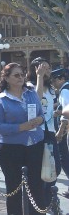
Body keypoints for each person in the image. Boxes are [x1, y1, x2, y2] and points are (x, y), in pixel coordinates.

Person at [0, 62, 45, 215]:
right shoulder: (1, 99)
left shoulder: (31, 93)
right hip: (11, 148)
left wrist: (39, 120)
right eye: (16, 75)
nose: (20, 77)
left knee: (36, 186)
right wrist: (21, 127)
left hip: (35, 145)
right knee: (14, 188)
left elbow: (41, 114)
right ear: (7, 78)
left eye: (22, 74)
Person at [30, 58, 62, 208]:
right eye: (45, 68)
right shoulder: (30, 86)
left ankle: (49, 199)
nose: (48, 72)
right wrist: (39, 77)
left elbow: (48, 104)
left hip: (50, 132)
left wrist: (57, 111)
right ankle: (42, 202)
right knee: (42, 169)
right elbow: (37, 100)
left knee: (55, 167)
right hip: (38, 133)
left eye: (48, 69)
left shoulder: (50, 88)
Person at [51, 67, 69, 199]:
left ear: (61, 79)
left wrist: (60, 131)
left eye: (55, 80)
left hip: (66, 131)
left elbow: (67, 113)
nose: (53, 83)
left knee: (64, 158)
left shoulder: (65, 91)